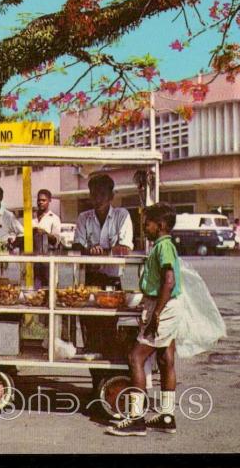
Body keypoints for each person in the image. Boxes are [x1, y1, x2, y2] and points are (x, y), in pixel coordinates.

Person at [106, 203, 182, 436]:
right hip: (166, 305)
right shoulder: (162, 246)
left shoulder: (163, 247)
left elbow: (168, 281)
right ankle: (167, 416)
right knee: (166, 358)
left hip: (163, 307)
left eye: (147, 223)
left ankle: (136, 418)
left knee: (135, 357)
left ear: (160, 225)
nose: (144, 228)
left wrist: (156, 313)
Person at [71, 173, 133, 388]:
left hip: (112, 281)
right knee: (90, 334)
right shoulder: (84, 217)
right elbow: (77, 244)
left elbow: (124, 246)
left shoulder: (122, 215)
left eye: (102, 194)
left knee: (108, 332)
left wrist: (102, 250)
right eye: (93, 194)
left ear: (111, 195)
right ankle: (96, 380)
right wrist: (88, 250)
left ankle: (108, 381)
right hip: (90, 280)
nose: (97, 198)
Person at [32, 189, 62, 287]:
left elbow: (56, 241)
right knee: (35, 289)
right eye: (39, 200)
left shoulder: (54, 218)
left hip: (48, 260)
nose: (40, 202)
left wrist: (45, 234)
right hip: (33, 260)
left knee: (49, 288)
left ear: (49, 201)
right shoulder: (32, 218)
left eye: (43, 200)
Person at [0, 185, 24, 250]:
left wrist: (12, 244)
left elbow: (22, 232)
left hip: (3, 252)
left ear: (1, 198)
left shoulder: (8, 216)